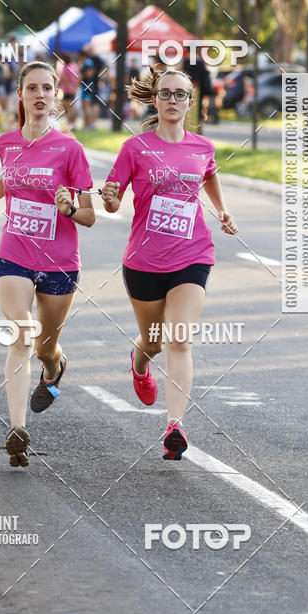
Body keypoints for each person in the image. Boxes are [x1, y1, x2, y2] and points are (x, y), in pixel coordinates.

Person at [0, 61, 95, 467]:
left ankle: (54, 370)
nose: (39, 94)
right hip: (14, 253)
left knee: (46, 348)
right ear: (20, 95)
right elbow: (8, 180)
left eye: (47, 87)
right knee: (22, 335)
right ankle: (18, 430)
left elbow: (89, 215)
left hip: (60, 262)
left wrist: (68, 209)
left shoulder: (70, 149)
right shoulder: (6, 143)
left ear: (56, 95)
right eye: (32, 87)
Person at [101, 66, 237, 461]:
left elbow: (208, 175)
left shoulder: (203, 146)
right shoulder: (135, 148)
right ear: (155, 100)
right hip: (143, 261)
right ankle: (139, 362)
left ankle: (174, 426)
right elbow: (112, 200)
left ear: (190, 102)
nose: (173, 100)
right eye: (166, 94)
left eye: (180, 94)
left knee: (179, 337)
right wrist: (109, 197)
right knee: (154, 341)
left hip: (193, 255)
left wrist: (221, 210)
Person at [58, 52, 79, 126]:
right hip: (74, 89)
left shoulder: (66, 67)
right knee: (72, 107)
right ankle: (73, 123)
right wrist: (75, 88)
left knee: (68, 107)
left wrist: (69, 88)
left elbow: (65, 79)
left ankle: (70, 123)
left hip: (67, 90)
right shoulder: (74, 66)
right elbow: (78, 78)